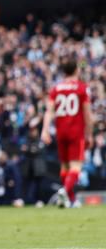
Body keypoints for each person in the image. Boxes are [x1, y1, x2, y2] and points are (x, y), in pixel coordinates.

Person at [41, 58, 93, 208]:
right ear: (76, 70)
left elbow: (49, 111)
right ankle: (64, 191)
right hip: (76, 131)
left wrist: (45, 130)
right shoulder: (82, 88)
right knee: (76, 167)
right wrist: (89, 134)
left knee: (65, 167)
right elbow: (87, 113)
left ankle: (71, 200)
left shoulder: (56, 88)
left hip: (61, 130)